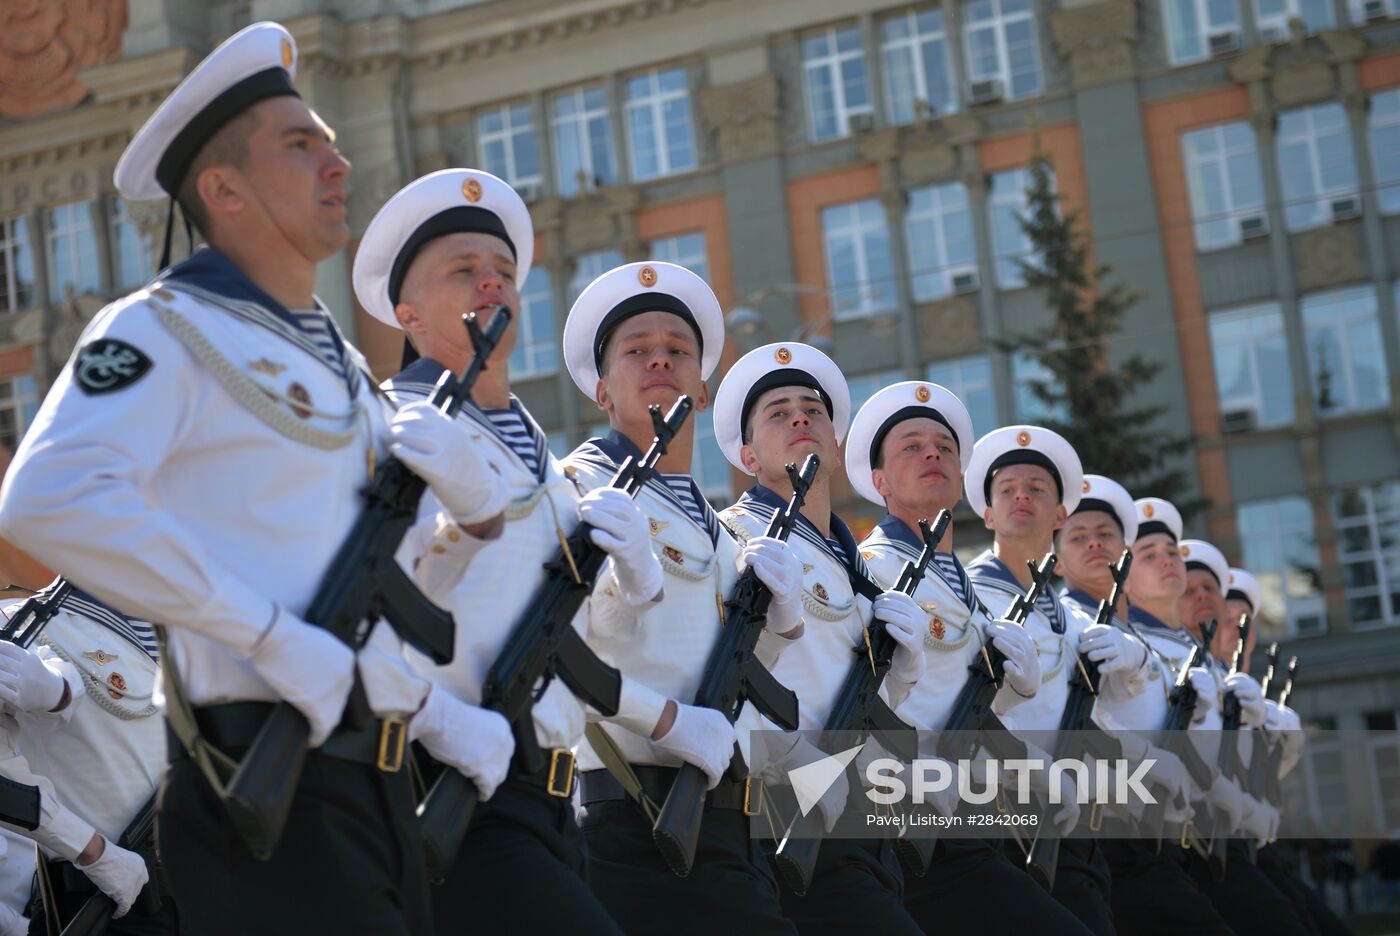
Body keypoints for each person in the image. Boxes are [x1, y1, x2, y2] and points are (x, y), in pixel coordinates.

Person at [0, 22, 508, 934]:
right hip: (262, 778)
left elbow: (368, 587)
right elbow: (47, 496)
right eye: (300, 144)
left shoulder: (342, 365)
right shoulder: (164, 324)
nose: (336, 162)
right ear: (223, 189)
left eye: (332, 141)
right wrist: (267, 634)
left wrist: (463, 527)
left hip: (376, 774)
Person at [354, 167, 673, 935]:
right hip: (446, 782)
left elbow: (589, 649)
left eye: (503, 272)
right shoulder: (389, 432)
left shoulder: (553, 471)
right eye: (463, 270)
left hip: (554, 803)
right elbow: (357, 611)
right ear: (407, 312)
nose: (491, 284)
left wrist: (636, 585)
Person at [560, 261, 805, 935]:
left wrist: (782, 624)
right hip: (636, 815)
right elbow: (553, 655)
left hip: (734, 821)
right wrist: (669, 722)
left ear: (701, 388)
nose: (659, 360)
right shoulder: (577, 490)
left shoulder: (716, 525)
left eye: (678, 351)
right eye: (636, 350)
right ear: (602, 389)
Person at [844, 381, 1092, 935]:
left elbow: (973, 717)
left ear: (961, 479)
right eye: (911, 446)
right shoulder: (870, 571)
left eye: (946, 447)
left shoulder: (963, 588)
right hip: (908, 821)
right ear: (879, 481)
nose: (933, 453)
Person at [711, 344, 927, 935]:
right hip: (787, 813)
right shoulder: (734, 539)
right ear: (748, 456)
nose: (801, 417)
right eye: (778, 412)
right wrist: (787, 759)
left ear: (836, 445)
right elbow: (717, 676)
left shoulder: (861, 570)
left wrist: (901, 677)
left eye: (814, 409)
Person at [1054, 479, 1234, 935]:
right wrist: (1149, 760)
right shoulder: (1066, 622)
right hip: (1101, 830)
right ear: (1056, 559)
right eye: (1078, 537)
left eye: (1108, 535)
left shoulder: (1123, 629)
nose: (1095, 544)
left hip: (1157, 834)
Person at [962, 425, 1114, 935]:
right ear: (987, 513)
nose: (1020, 496)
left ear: (1061, 513)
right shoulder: (967, 597)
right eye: (1006, 490)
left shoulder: (1068, 617)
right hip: (998, 811)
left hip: (1070, 819)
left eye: (1036, 489)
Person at [3, 581, 179, 933]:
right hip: (117, 898)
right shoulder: (16, 625)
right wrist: (94, 852)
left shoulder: (205, 622)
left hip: (225, 874)